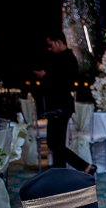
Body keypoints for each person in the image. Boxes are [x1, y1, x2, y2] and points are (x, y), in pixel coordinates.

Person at [34, 32, 96, 175]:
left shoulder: (68, 59)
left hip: (61, 106)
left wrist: (45, 77)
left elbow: (63, 84)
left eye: (50, 45)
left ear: (58, 41)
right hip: (59, 105)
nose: (49, 48)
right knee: (56, 144)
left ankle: (85, 166)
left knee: (54, 143)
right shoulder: (62, 58)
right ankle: (61, 173)